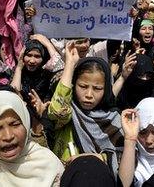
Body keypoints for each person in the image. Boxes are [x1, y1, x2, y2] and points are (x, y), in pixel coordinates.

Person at [47, 42, 123, 174]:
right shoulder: (70, 111)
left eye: (97, 89)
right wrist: (70, 65)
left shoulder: (115, 120)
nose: (89, 95)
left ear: (106, 90)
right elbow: (57, 111)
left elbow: (123, 157)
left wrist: (96, 157)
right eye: (82, 86)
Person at [119, 97, 154, 186]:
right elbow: (123, 185)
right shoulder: (129, 154)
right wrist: (130, 139)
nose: (148, 141)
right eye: (142, 132)